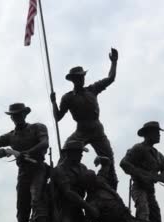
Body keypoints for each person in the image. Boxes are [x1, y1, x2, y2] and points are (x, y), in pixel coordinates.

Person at [50, 48, 119, 189]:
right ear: (73, 80)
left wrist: (114, 62)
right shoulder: (67, 97)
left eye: (82, 76)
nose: (81, 79)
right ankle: (57, 180)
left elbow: (110, 78)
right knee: (66, 152)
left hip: (97, 130)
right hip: (81, 130)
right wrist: (53, 102)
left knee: (109, 158)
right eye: (78, 77)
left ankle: (112, 186)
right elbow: (58, 117)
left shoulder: (92, 89)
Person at [0, 103, 50, 222]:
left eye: (19, 114)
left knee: (36, 200)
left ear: (25, 114)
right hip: (23, 173)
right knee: (22, 210)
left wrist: (27, 152)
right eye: (14, 115)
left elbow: (44, 143)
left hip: (38, 168)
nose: (16, 117)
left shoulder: (37, 127)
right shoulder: (11, 136)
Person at [121, 121, 164, 222]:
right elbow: (124, 163)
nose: (159, 135)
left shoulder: (159, 156)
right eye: (156, 132)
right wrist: (142, 175)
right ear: (148, 134)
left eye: (159, 132)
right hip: (139, 188)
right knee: (143, 210)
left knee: (156, 217)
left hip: (150, 191)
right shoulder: (138, 148)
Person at [51, 141, 99, 222]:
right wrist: (89, 208)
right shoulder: (59, 170)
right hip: (64, 210)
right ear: (69, 153)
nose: (81, 155)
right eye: (79, 153)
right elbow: (68, 192)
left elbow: (90, 186)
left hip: (79, 209)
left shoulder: (82, 168)